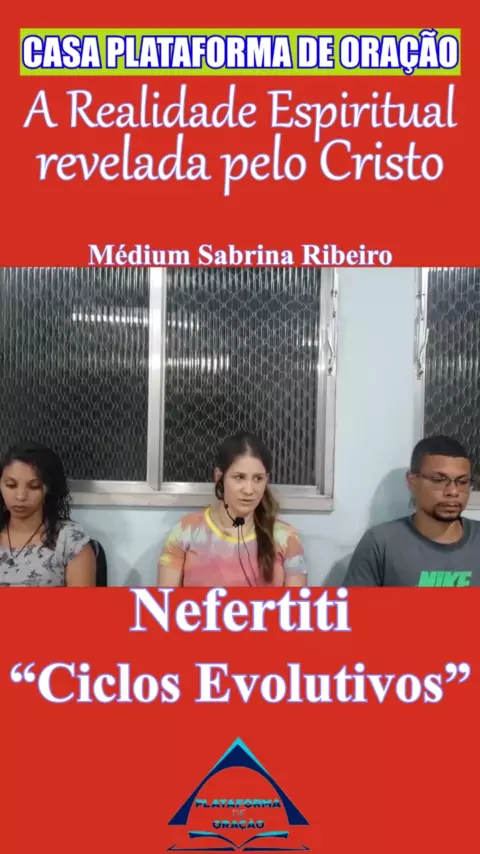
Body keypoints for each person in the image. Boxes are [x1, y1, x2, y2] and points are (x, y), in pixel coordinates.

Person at [157, 432, 308, 587]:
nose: (249, 490)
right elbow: (165, 600)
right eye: (239, 477)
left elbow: (296, 602)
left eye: (258, 478)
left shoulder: (286, 539)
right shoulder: (186, 531)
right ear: (219, 477)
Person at [343, 434, 480, 587]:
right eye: (439, 480)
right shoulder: (381, 544)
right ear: (412, 481)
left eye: (462, 481)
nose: (453, 491)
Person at [0, 442, 96, 587]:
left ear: (48, 489)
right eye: (11, 485)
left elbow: (83, 601)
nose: (20, 496)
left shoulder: (70, 541)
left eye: (34, 486)